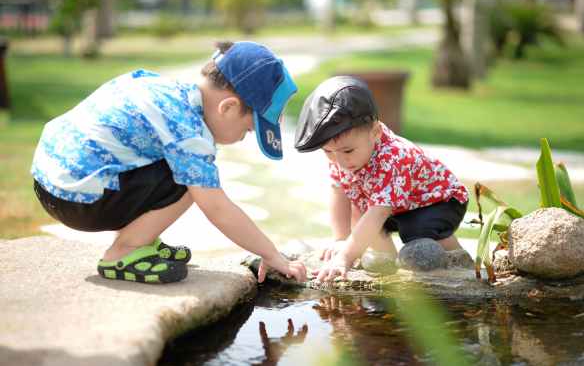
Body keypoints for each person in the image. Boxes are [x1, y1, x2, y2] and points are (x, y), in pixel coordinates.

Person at [31, 41, 307, 284]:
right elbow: (217, 209)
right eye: (248, 130)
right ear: (229, 108)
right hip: (78, 201)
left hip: (50, 182)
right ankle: (124, 252)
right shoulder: (188, 130)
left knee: (182, 167)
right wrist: (272, 254)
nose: (243, 139)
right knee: (194, 182)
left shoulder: (165, 89)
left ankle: (141, 239)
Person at [294, 76, 468, 282]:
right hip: (398, 206)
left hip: (439, 201)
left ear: (375, 132)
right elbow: (338, 191)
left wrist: (344, 258)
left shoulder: (395, 157)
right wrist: (341, 239)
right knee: (360, 214)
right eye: (328, 152)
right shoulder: (343, 155)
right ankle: (389, 266)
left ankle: (459, 262)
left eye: (347, 151)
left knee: (414, 230)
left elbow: (379, 213)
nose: (339, 161)